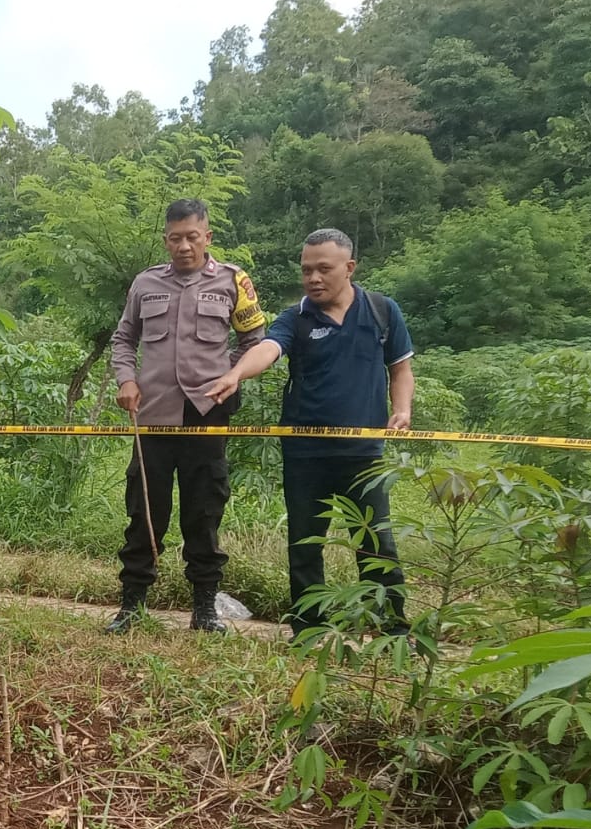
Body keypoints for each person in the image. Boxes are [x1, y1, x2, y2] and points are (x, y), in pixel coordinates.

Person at [204, 227, 414, 638]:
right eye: (306, 270)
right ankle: (308, 629)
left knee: (376, 544)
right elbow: (267, 349)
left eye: (324, 269)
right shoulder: (295, 317)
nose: (314, 278)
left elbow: (401, 369)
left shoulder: (382, 311)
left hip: (364, 454)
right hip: (305, 453)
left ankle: (392, 631)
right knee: (305, 544)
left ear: (349, 268)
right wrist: (236, 373)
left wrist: (402, 409)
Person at [105, 198, 266, 634]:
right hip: (153, 416)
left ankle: (205, 610)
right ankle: (131, 607)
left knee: (204, 512)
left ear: (207, 237)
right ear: (166, 240)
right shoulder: (145, 283)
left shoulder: (234, 281)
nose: (183, 246)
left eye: (192, 237)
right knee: (144, 514)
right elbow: (124, 339)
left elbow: (256, 340)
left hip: (206, 415)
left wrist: (231, 374)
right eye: (175, 238)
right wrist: (126, 380)